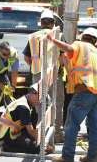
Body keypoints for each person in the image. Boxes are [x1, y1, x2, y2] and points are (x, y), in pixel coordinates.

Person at [48, 28, 97, 162]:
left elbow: (69, 49)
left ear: (83, 37)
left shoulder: (79, 45)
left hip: (83, 92)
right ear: (95, 40)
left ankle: (67, 156)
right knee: (94, 127)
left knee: (72, 125)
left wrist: (53, 40)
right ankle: (93, 156)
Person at [23, 9, 65, 143]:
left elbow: (27, 58)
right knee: (56, 104)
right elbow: (64, 57)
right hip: (54, 74)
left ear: (41, 23)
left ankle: (42, 134)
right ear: (53, 23)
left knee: (40, 104)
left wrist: (35, 66)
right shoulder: (58, 35)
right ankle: (56, 134)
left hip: (37, 75)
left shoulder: (33, 36)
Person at [0, 84, 40, 153]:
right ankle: (5, 146)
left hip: (16, 130)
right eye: (39, 98)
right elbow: (31, 131)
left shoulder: (27, 100)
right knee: (35, 148)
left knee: (34, 116)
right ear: (33, 94)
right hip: (7, 134)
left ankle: (10, 144)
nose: (40, 101)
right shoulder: (23, 107)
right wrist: (42, 142)